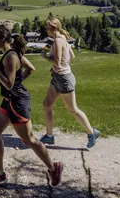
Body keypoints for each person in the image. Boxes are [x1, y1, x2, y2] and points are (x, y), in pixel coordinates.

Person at [0, 25, 63, 188]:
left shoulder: (10, 57)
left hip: (16, 102)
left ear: (1, 39)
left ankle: (54, 168)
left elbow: (10, 84)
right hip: (9, 100)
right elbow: (30, 69)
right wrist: (18, 83)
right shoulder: (13, 53)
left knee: (29, 139)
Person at [40, 17, 100, 148]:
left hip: (64, 79)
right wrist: (58, 67)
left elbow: (57, 60)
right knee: (47, 104)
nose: (45, 30)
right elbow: (71, 57)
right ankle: (49, 136)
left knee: (73, 109)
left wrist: (46, 57)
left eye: (47, 27)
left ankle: (91, 133)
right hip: (59, 76)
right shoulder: (63, 39)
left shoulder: (58, 40)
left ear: (53, 28)